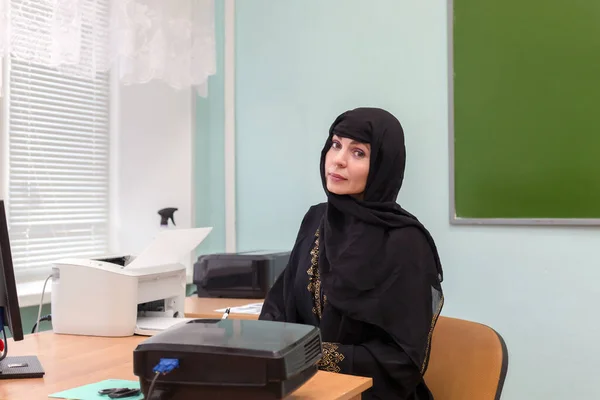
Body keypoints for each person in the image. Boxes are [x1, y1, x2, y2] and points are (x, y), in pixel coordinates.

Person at [259, 107, 444, 399]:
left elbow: (401, 362)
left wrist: (310, 355)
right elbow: (278, 309)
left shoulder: (405, 241)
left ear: (383, 165)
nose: (338, 160)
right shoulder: (316, 220)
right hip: (305, 388)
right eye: (336, 145)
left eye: (358, 152)